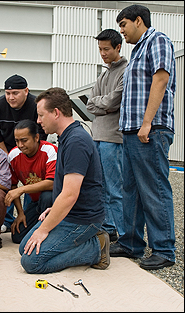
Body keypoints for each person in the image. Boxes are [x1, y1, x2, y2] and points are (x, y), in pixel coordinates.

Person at [110, 4, 176, 270]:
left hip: (150, 129)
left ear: (139, 21)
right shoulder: (137, 50)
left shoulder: (157, 40)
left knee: (154, 190)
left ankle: (164, 250)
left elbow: (160, 79)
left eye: (124, 25)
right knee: (131, 190)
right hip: (131, 131)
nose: (121, 32)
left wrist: (147, 123)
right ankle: (131, 243)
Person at [19, 87, 109, 274]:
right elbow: (68, 191)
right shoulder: (66, 137)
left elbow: (69, 195)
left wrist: (44, 230)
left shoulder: (76, 141)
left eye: (41, 115)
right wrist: (56, 209)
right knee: (24, 247)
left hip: (83, 219)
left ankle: (95, 247)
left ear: (56, 113)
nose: (38, 121)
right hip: (70, 212)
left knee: (31, 262)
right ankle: (79, 243)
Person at [0, 74, 47, 232]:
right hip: (6, 149)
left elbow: (42, 132)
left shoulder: (36, 106)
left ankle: (28, 216)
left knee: (30, 182)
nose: (11, 97)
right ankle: (6, 221)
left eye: (15, 93)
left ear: (26, 91)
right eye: (8, 93)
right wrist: (7, 154)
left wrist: (28, 153)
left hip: (32, 150)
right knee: (6, 183)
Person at [86, 28, 127, 242]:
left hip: (113, 137)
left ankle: (121, 231)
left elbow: (113, 101)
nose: (102, 53)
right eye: (100, 49)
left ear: (118, 47)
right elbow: (90, 104)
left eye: (106, 49)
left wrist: (105, 105)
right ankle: (107, 227)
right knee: (99, 186)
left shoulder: (125, 70)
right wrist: (106, 106)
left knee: (114, 187)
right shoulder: (104, 73)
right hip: (98, 136)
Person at [4, 119, 58, 244]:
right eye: (17, 141)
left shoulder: (50, 151)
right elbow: (13, 187)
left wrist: (22, 189)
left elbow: (52, 183)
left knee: (47, 196)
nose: (20, 145)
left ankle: (50, 236)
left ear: (36, 137)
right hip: (36, 203)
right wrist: (20, 213)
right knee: (17, 236)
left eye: (24, 140)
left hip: (55, 202)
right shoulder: (13, 155)